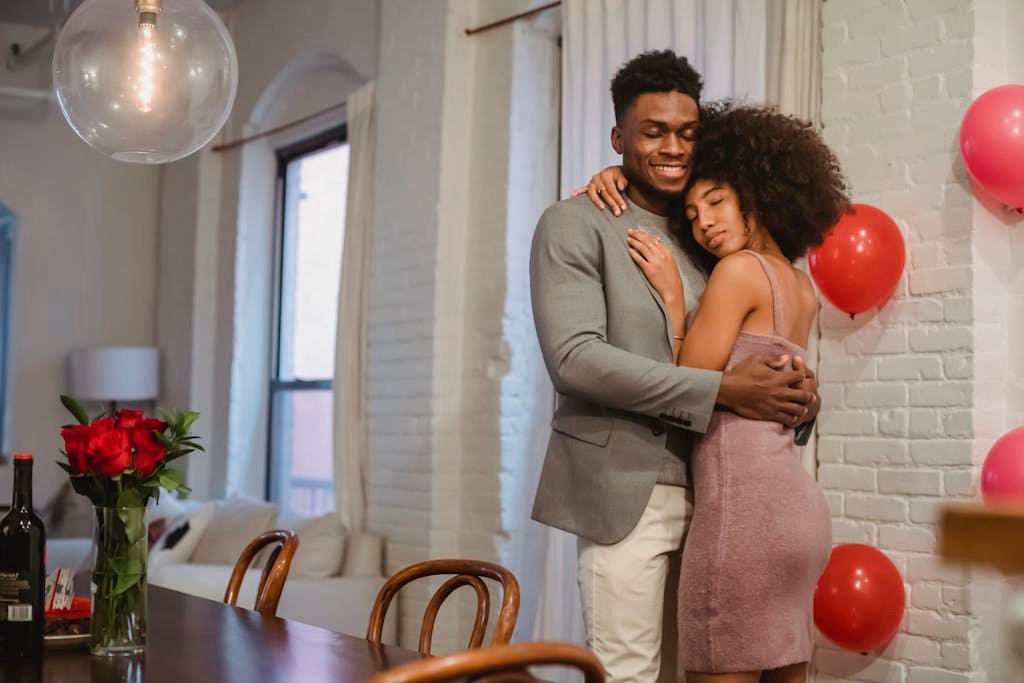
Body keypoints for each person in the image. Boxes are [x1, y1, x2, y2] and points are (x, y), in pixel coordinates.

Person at [529, 50, 820, 683]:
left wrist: (797, 398)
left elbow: (753, 353)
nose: (673, 146)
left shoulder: (710, 243)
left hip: (721, 502)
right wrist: (720, 388)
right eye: (653, 131)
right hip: (622, 490)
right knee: (630, 673)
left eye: (688, 133)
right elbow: (575, 360)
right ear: (619, 138)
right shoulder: (574, 223)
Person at [586, 102, 849, 682]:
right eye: (694, 210)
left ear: (753, 194)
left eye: (717, 201)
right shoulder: (801, 285)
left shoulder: (737, 272)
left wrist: (674, 299)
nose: (703, 221)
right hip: (799, 514)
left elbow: (691, 381)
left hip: (743, 515)